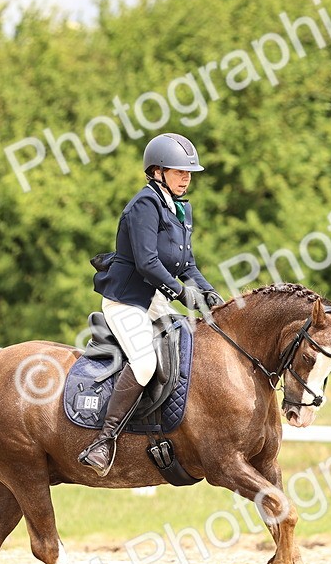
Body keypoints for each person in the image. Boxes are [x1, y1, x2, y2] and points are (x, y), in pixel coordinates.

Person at [78, 132, 223, 476]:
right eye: (179, 172)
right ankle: (104, 441)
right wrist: (181, 293)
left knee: (190, 349)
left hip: (156, 299)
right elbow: (147, 263)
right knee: (144, 364)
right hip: (128, 302)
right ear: (157, 171)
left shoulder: (182, 209)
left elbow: (187, 264)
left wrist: (208, 292)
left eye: (189, 173)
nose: (186, 179)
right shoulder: (144, 205)